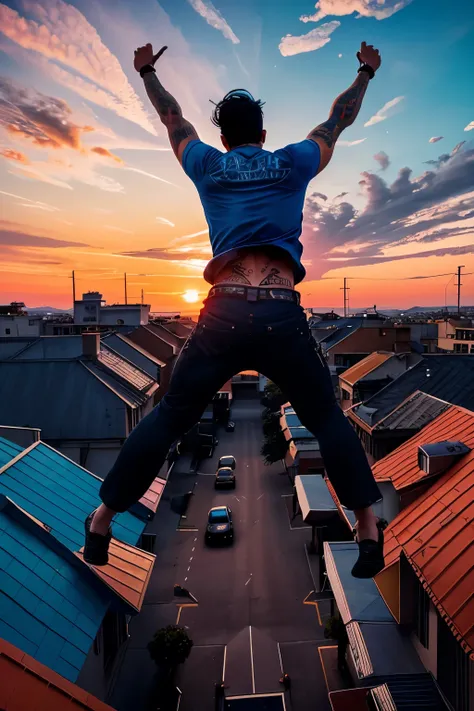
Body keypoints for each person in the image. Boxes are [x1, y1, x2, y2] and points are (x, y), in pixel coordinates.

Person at [84, 40, 385, 578]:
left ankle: (103, 520)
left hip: (222, 312)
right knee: (325, 417)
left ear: (222, 138)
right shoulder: (291, 161)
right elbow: (337, 121)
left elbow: (171, 117)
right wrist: (365, 72)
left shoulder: (207, 165)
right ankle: (366, 529)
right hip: (279, 310)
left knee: (171, 415)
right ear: (263, 135)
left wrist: (147, 70)